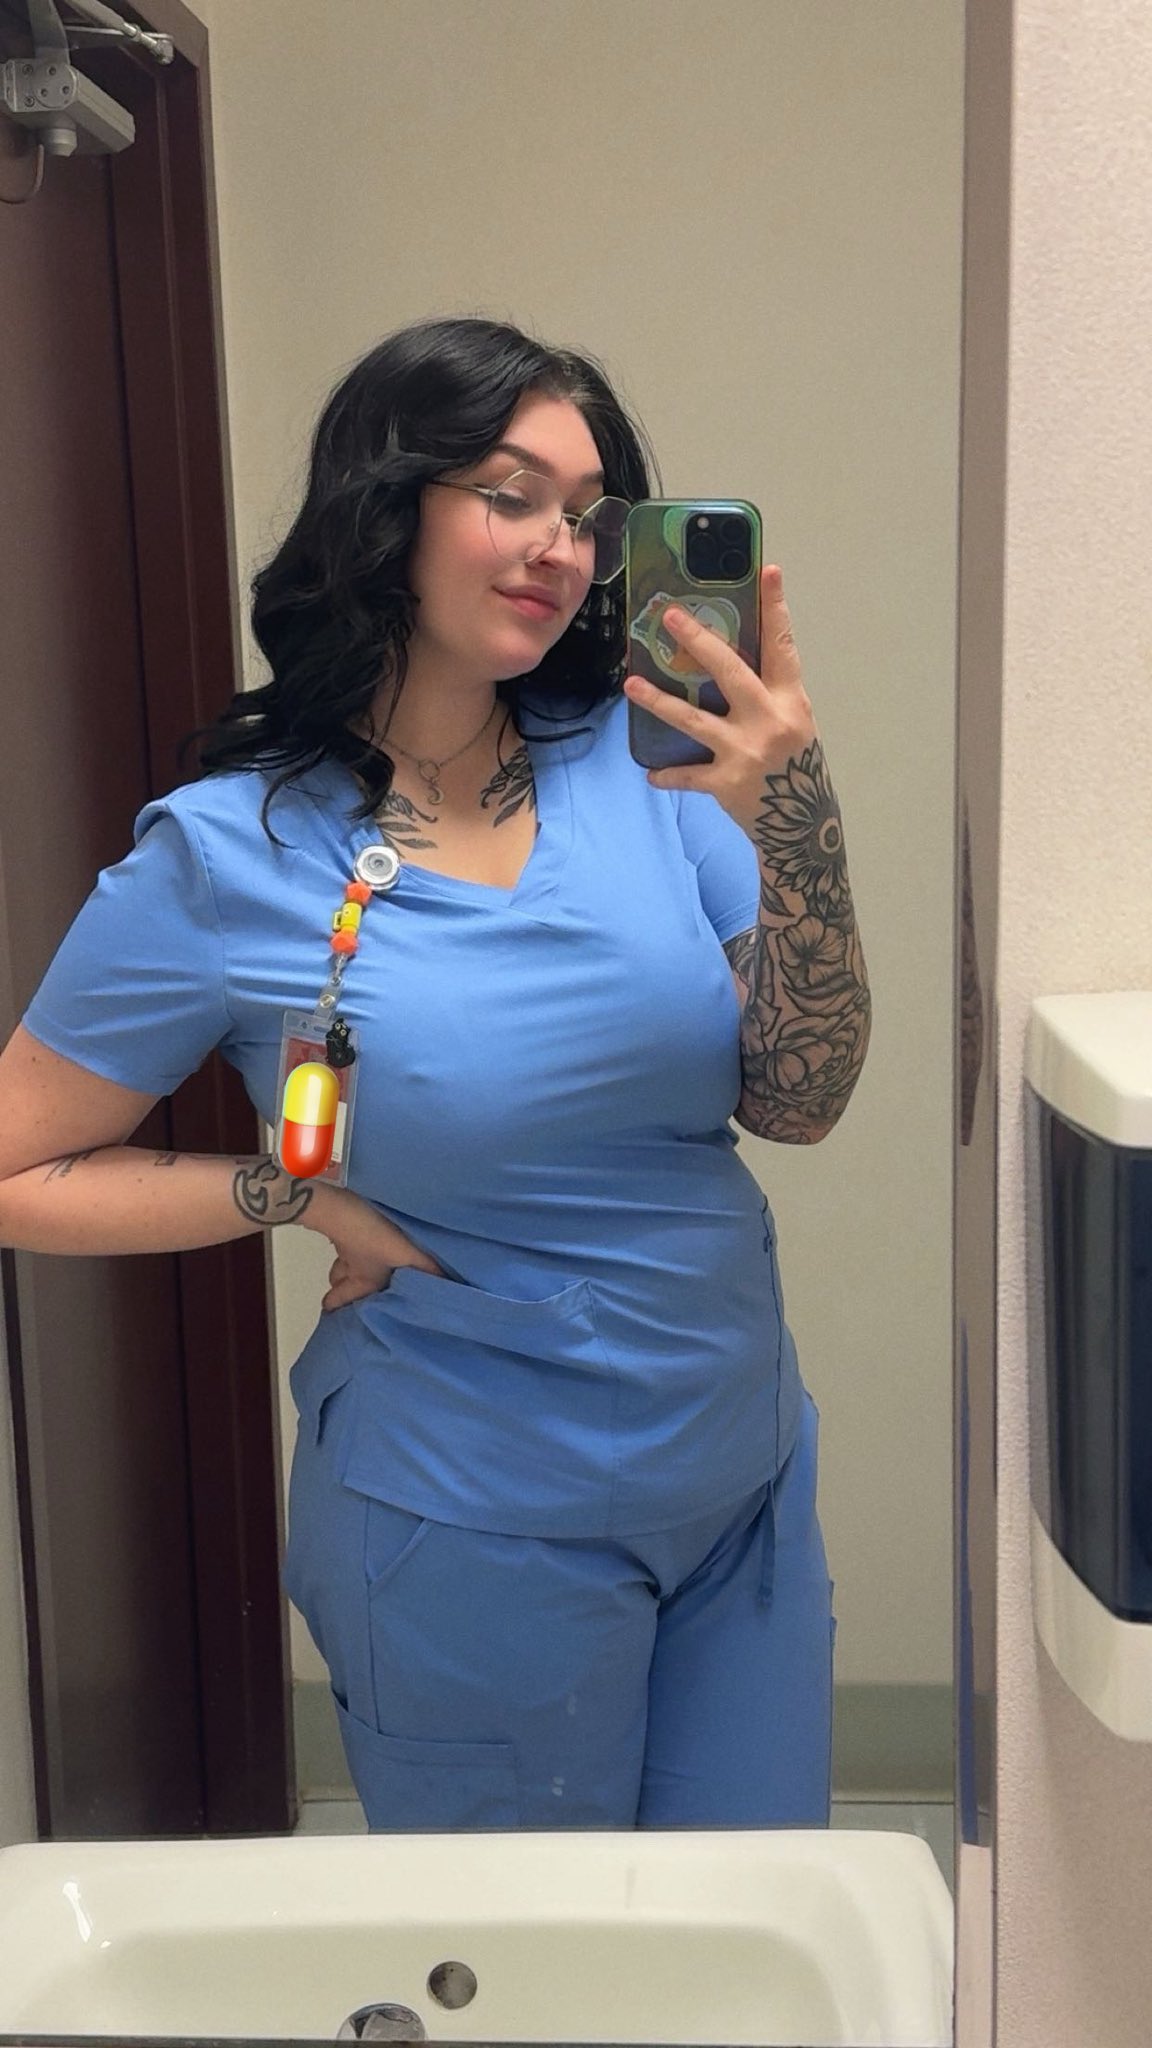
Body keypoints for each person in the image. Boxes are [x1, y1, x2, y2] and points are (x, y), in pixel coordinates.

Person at [0, 316, 871, 1832]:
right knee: (530, 1951)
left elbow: (799, 1100)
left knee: (748, 1934)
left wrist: (794, 811)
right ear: (386, 506)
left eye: (588, 515)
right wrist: (296, 1194)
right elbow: (19, 1167)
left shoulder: (648, 764)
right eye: (509, 494)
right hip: (465, 1517)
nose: (560, 548)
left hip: (736, 1482)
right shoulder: (226, 853)